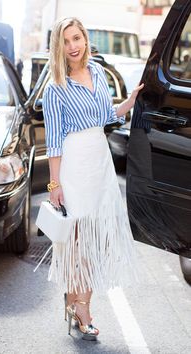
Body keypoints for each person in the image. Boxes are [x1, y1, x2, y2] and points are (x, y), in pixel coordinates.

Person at [42, 17, 144, 341]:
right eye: (66, 42)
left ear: (85, 39)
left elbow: (104, 115)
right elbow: (54, 142)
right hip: (73, 167)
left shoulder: (98, 72)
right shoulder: (55, 88)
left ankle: (76, 300)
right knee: (78, 243)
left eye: (77, 38)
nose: (72, 46)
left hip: (100, 164)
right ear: (58, 48)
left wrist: (127, 104)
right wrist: (54, 185)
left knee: (94, 240)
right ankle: (81, 308)